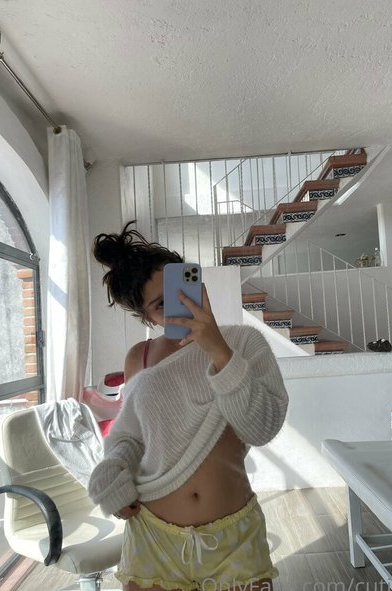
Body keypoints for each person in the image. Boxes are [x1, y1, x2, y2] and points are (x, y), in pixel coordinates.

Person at [88, 221, 289, 591]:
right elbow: (130, 437)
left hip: (235, 539)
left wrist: (219, 351)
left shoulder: (244, 343)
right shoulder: (139, 357)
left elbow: (262, 428)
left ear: (199, 286)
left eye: (183, 292)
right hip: (152, 537)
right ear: (147, 316)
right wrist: (112, 475)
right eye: (161, 304)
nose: (178, 306)